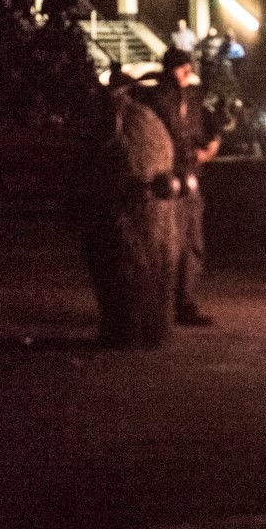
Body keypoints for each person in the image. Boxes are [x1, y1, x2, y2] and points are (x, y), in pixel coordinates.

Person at [68, 64, 181, 347]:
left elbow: (93, 161)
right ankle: (148, 331)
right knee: (148, 271)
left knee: (125, 271)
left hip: (126, 210)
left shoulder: (121, 120)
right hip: (146, 210)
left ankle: (129, 331)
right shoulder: (149, 121)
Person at [133, 47, 221, 326]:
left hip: (189, 178)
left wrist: (209, 148)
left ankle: (185, 303)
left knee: (192, 242)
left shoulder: (193, 99)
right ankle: (159, 304)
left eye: (189, 66)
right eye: (182, 66)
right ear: (169, 68)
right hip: (162, 181)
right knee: (163, 244)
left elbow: (210, 130)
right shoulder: (153, 99)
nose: (187, 71)